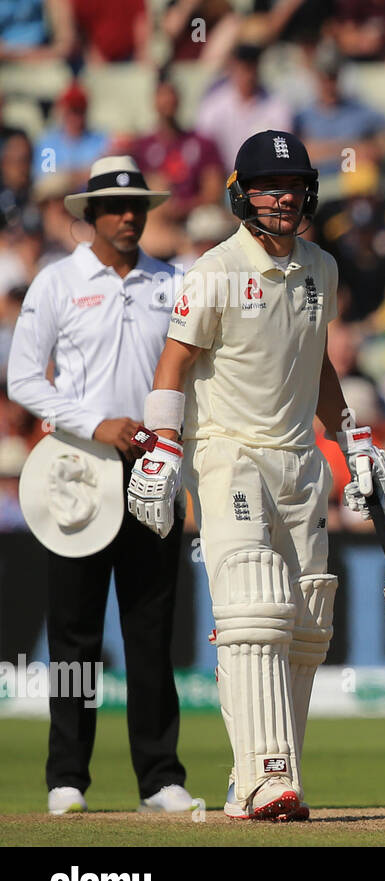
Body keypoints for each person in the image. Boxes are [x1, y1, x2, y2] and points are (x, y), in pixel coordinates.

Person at [126, 130, 385, 821]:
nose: (283, 197)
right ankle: (268, 780)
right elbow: (175, 361)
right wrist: (163, 446)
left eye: (294, 185)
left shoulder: (321, 269)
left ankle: (257, 777)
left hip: (301, 461)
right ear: (241, 193)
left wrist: (352, 435)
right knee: (254, 610)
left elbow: (318, 362)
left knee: (307, 622)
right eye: (269, 186)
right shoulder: (215, 270)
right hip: (228, 452)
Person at [7, 155, 195, 815]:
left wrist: (185, 469)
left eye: (137, 206)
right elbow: (23, 378)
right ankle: (68, 777)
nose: (127, 216)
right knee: (76, 634)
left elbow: (195, 383)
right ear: (89, 214)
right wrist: (95, 422)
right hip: (78, 474)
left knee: (150, 627)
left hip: (152, 469)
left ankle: (159, 777)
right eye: (115, 206)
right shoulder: (58, 282)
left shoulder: (174, 282)